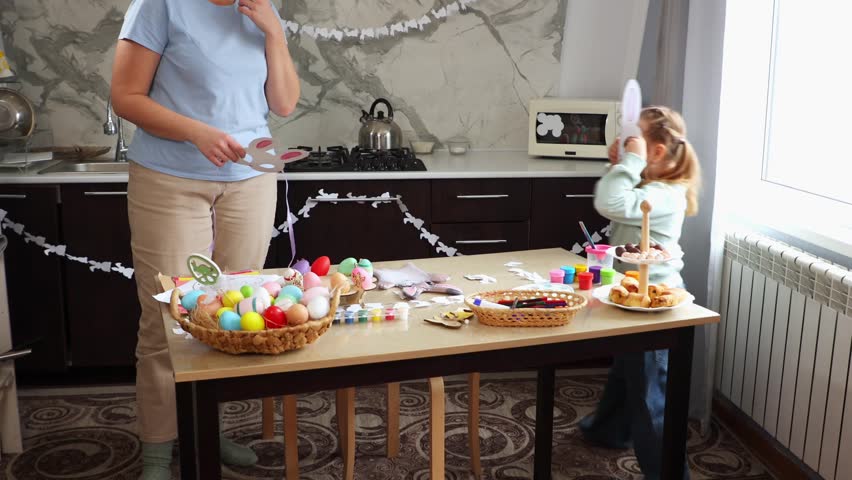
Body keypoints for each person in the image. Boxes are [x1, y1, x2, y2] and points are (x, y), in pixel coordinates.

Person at [110, 0, 300, 478]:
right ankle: (157, 449)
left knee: (230, 316)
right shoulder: (160, 5)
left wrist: (274, 33)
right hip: (169, 179)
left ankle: (205, 429)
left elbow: (283, 104)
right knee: (167, 318)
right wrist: (196, 132)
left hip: (253, 176)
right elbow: (126, 96)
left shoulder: (262, 9)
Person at [580, 106, 701, 479]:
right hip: (632, 296)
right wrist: (624, 162)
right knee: (628, 370)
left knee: (650, 397)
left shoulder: (665, 195)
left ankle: (669, 473)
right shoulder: (650, 187)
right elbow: (618, 198)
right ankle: (609, 429)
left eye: (634, 138)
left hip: (654, 303)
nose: (625, 142)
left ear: (657, 153)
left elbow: (611, 202)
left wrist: (628, 162)